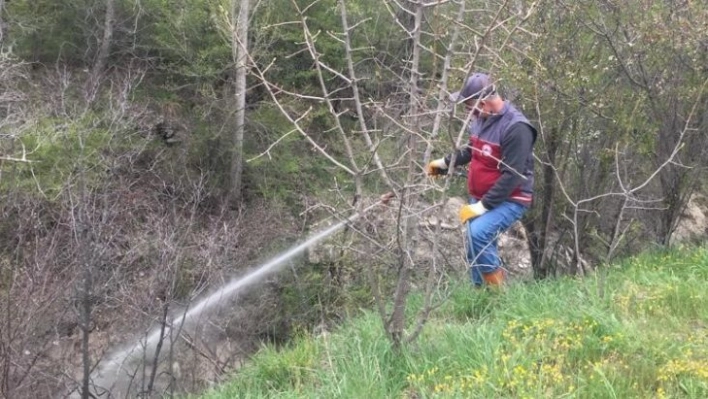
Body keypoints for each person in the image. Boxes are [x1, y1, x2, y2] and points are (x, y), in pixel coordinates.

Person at [426, 72, 537, 287]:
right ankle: (480, 295)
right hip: (481, 196)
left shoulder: (517, 128)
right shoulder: (481, 119)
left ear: (484, 102)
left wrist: (483, 207)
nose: (469, 113)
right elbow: (473, 150)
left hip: (511, 198)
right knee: (475, 246)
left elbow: (513, 175)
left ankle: (497, 298)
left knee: (478, 235)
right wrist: (443, 164)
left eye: (470, 107)